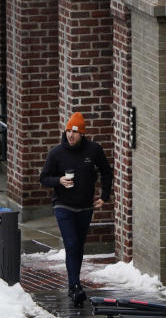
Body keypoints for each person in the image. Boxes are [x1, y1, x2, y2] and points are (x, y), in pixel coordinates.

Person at [40, 111, 112, 307]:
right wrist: (59, 180)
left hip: (85, 206)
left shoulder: (93, 150)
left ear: (82, 134)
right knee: (71, 244)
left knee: (78, 246)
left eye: (75, 133)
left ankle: (75, 284)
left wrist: (104, 197)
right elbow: (44, 177)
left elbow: (106, 171)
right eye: (68, 132)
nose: (70, 136)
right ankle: (74, 286)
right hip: (63, 205)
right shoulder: (56, 153)